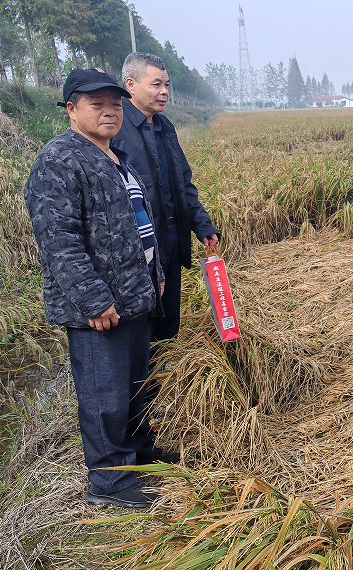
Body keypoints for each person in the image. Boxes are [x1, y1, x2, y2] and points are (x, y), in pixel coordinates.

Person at [24, 69, 166, 508]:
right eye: (96, 104)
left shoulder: (114, 156)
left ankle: (138, 456)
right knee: (104, 394)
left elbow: (137, 224)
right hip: (99, 307)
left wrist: (155, 274)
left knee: (135, 386)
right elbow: (58, 240)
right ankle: (109, 481)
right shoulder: (60, 159)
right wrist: (93, 298)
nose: (110, 111)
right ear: (71, 109)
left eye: (115, 103)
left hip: (133, 298)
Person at [111, 53, 220, 421]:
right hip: (138, 255)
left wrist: (202, 225)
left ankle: (155, 406)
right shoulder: (115, 130)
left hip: (170, 246)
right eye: (156, 84)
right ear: (131, 85)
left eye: (167, 85)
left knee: (166, 330)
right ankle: (135, 413)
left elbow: (181, 184)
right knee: (138, 335)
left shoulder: (164, 127)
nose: (164, 92)